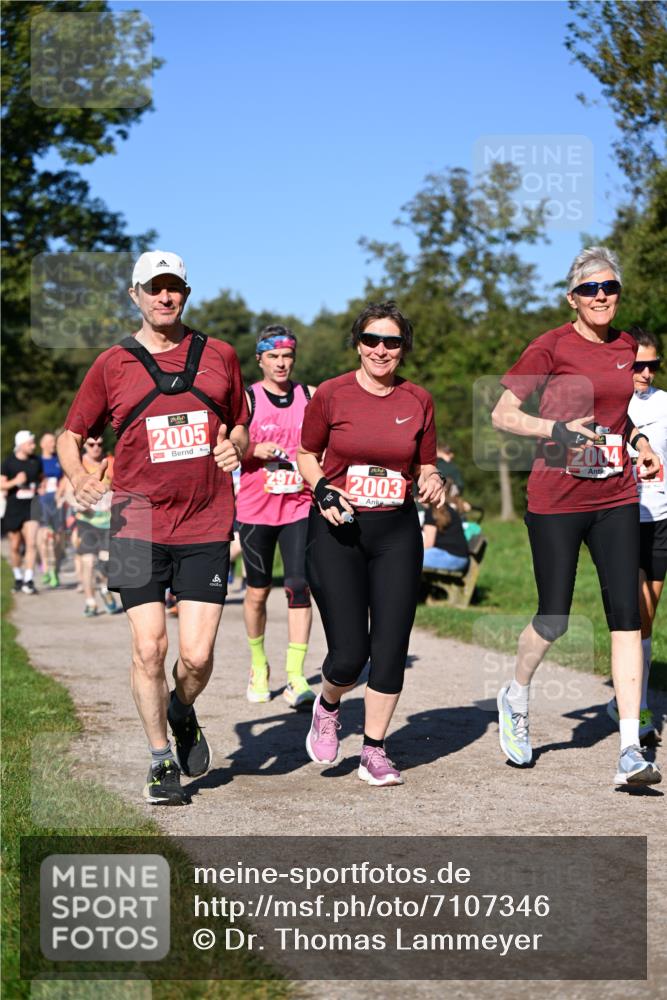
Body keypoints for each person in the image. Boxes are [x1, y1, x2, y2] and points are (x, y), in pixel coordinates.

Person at [58, 250, 249, 805]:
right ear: (135, 295)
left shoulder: (220, 356)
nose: (166, 297)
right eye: (154, 288)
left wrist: (235, 447)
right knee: (148, 648)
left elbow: (240, 420)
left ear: (186, 294)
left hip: (205, 518)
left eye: (175, 289)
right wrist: (76, 477)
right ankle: (160, 759)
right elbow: (72, 435)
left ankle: (182, 708)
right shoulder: (111, 364)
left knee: (195, 657)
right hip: (136, 520)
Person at [491, 246, 662, 787]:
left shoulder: (628, 346)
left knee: (626, 618)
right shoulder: (550, 346)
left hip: (615, 494)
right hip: (557, 499)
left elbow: (619, 410)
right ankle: (516, 695)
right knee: (555, 617)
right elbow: (503, 415)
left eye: (610, 287)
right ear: (573, 297)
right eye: (590, 289)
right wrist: (556, 431)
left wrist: (638, 441)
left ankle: (631, 748)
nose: (602, 296)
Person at [297, 301, 446, 787]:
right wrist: (322, 489)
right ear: (358, 343)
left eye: (392, 341)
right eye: (371, 340)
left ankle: (375, 750)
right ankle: (329, 703)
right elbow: (305, 455)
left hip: (396, 533)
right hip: (338, 530)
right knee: (348, 655)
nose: (381, 350)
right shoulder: (332, 395)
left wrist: (433, 479)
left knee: (390, 647)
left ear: (405, 348)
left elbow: (425, 463)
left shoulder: (418, 400)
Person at [237, 325, 317, 708]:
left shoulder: (309, 396)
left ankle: (296, 676)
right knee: (256, 593)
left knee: (300, 586)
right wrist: (253, 449)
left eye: (287, 356)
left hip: (299, 505)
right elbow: (227, 445)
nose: (281, 364)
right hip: (255, 509)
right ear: (260, 360)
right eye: (273, 357)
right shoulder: (248, 399)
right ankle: (258, 665)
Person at [607, 327, 665, 746]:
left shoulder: (665, 404)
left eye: (653, 365)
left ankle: (626, 698)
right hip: (621, 514)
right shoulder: (609, 404)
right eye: (637, 365)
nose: (645, 373)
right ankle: (639, 708)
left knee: (650, 614)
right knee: (636, 608)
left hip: (660, 516)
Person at [70, 436, 119, 617]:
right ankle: (90, 602)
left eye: (99, 443)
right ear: (85, 446)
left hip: (107, 522)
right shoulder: (78, 466)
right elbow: (68, 492)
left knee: (104, 564)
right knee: (87, 562)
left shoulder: (111, 462)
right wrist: (81, 504)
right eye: (91, 444)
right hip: (86, 521)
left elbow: (118, 488)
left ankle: (104, 589)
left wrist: (112, 498)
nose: (96, 447)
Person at [1, 430, 42, 594]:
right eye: (30, 443)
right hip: (13, 508)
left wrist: (42, 487)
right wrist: (16, 481)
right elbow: (2, 485)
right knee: (15, 546)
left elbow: (41, 478)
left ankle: (29, 579)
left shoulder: (36, 461)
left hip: (31, 507)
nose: (33, 445)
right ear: (21, 444)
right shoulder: (8, 463)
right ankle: (18, 577)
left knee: (31, 543)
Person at [37, 431, 65, 588]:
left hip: (57, 501)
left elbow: (64, 478)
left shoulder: (58, 460)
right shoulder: (37, 461)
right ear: (42, 444)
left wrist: (60, 493)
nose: (52, 444)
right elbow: (32, 479)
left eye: (53, 441)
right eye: (49, 441)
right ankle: (47, 569)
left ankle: (55, 568)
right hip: (42, 502)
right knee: (44, 535)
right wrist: (38, 488)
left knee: (57, 538)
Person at [422, 493, 470, 573]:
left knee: (408, 558)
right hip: (461, 558)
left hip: (451, 558)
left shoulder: (430, 512)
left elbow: (428, 544)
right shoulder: (448, 509)